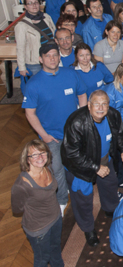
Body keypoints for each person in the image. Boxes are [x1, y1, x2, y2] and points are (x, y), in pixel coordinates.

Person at [61, 90, 123, 246]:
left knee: (110, 184)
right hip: (80, 167)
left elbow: (120, 135)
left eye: (104, 104)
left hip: (104, 159)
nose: (101, 108)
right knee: (83, 198)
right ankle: (88, 229)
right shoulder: (77, 122)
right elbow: (71, 154)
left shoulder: (113, 115)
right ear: (89, 105)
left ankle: (110, 209)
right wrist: (95, 167)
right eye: (96, 104)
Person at [23, 43, 87, 212]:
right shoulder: (33, 84)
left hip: (74, 134)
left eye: (54, 55)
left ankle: (80, 192)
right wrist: (43, 135)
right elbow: (30, 113)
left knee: (77, 164)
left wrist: (81, 118)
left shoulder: (70, 74)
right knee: (56, 169)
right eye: (47, 56)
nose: (52, 59)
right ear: (40, 59)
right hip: (51, 137)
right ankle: (61, 200)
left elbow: (82, 94)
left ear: (59, 57)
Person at [11, 140, 64, 267]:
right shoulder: (21, 185)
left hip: (56, 218)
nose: (40, 157)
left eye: (42, 153)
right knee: (42, 259)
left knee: (55, 249)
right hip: (39, 228)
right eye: (34, 155)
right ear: (27, 159)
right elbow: (17, 208)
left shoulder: (48, 167)